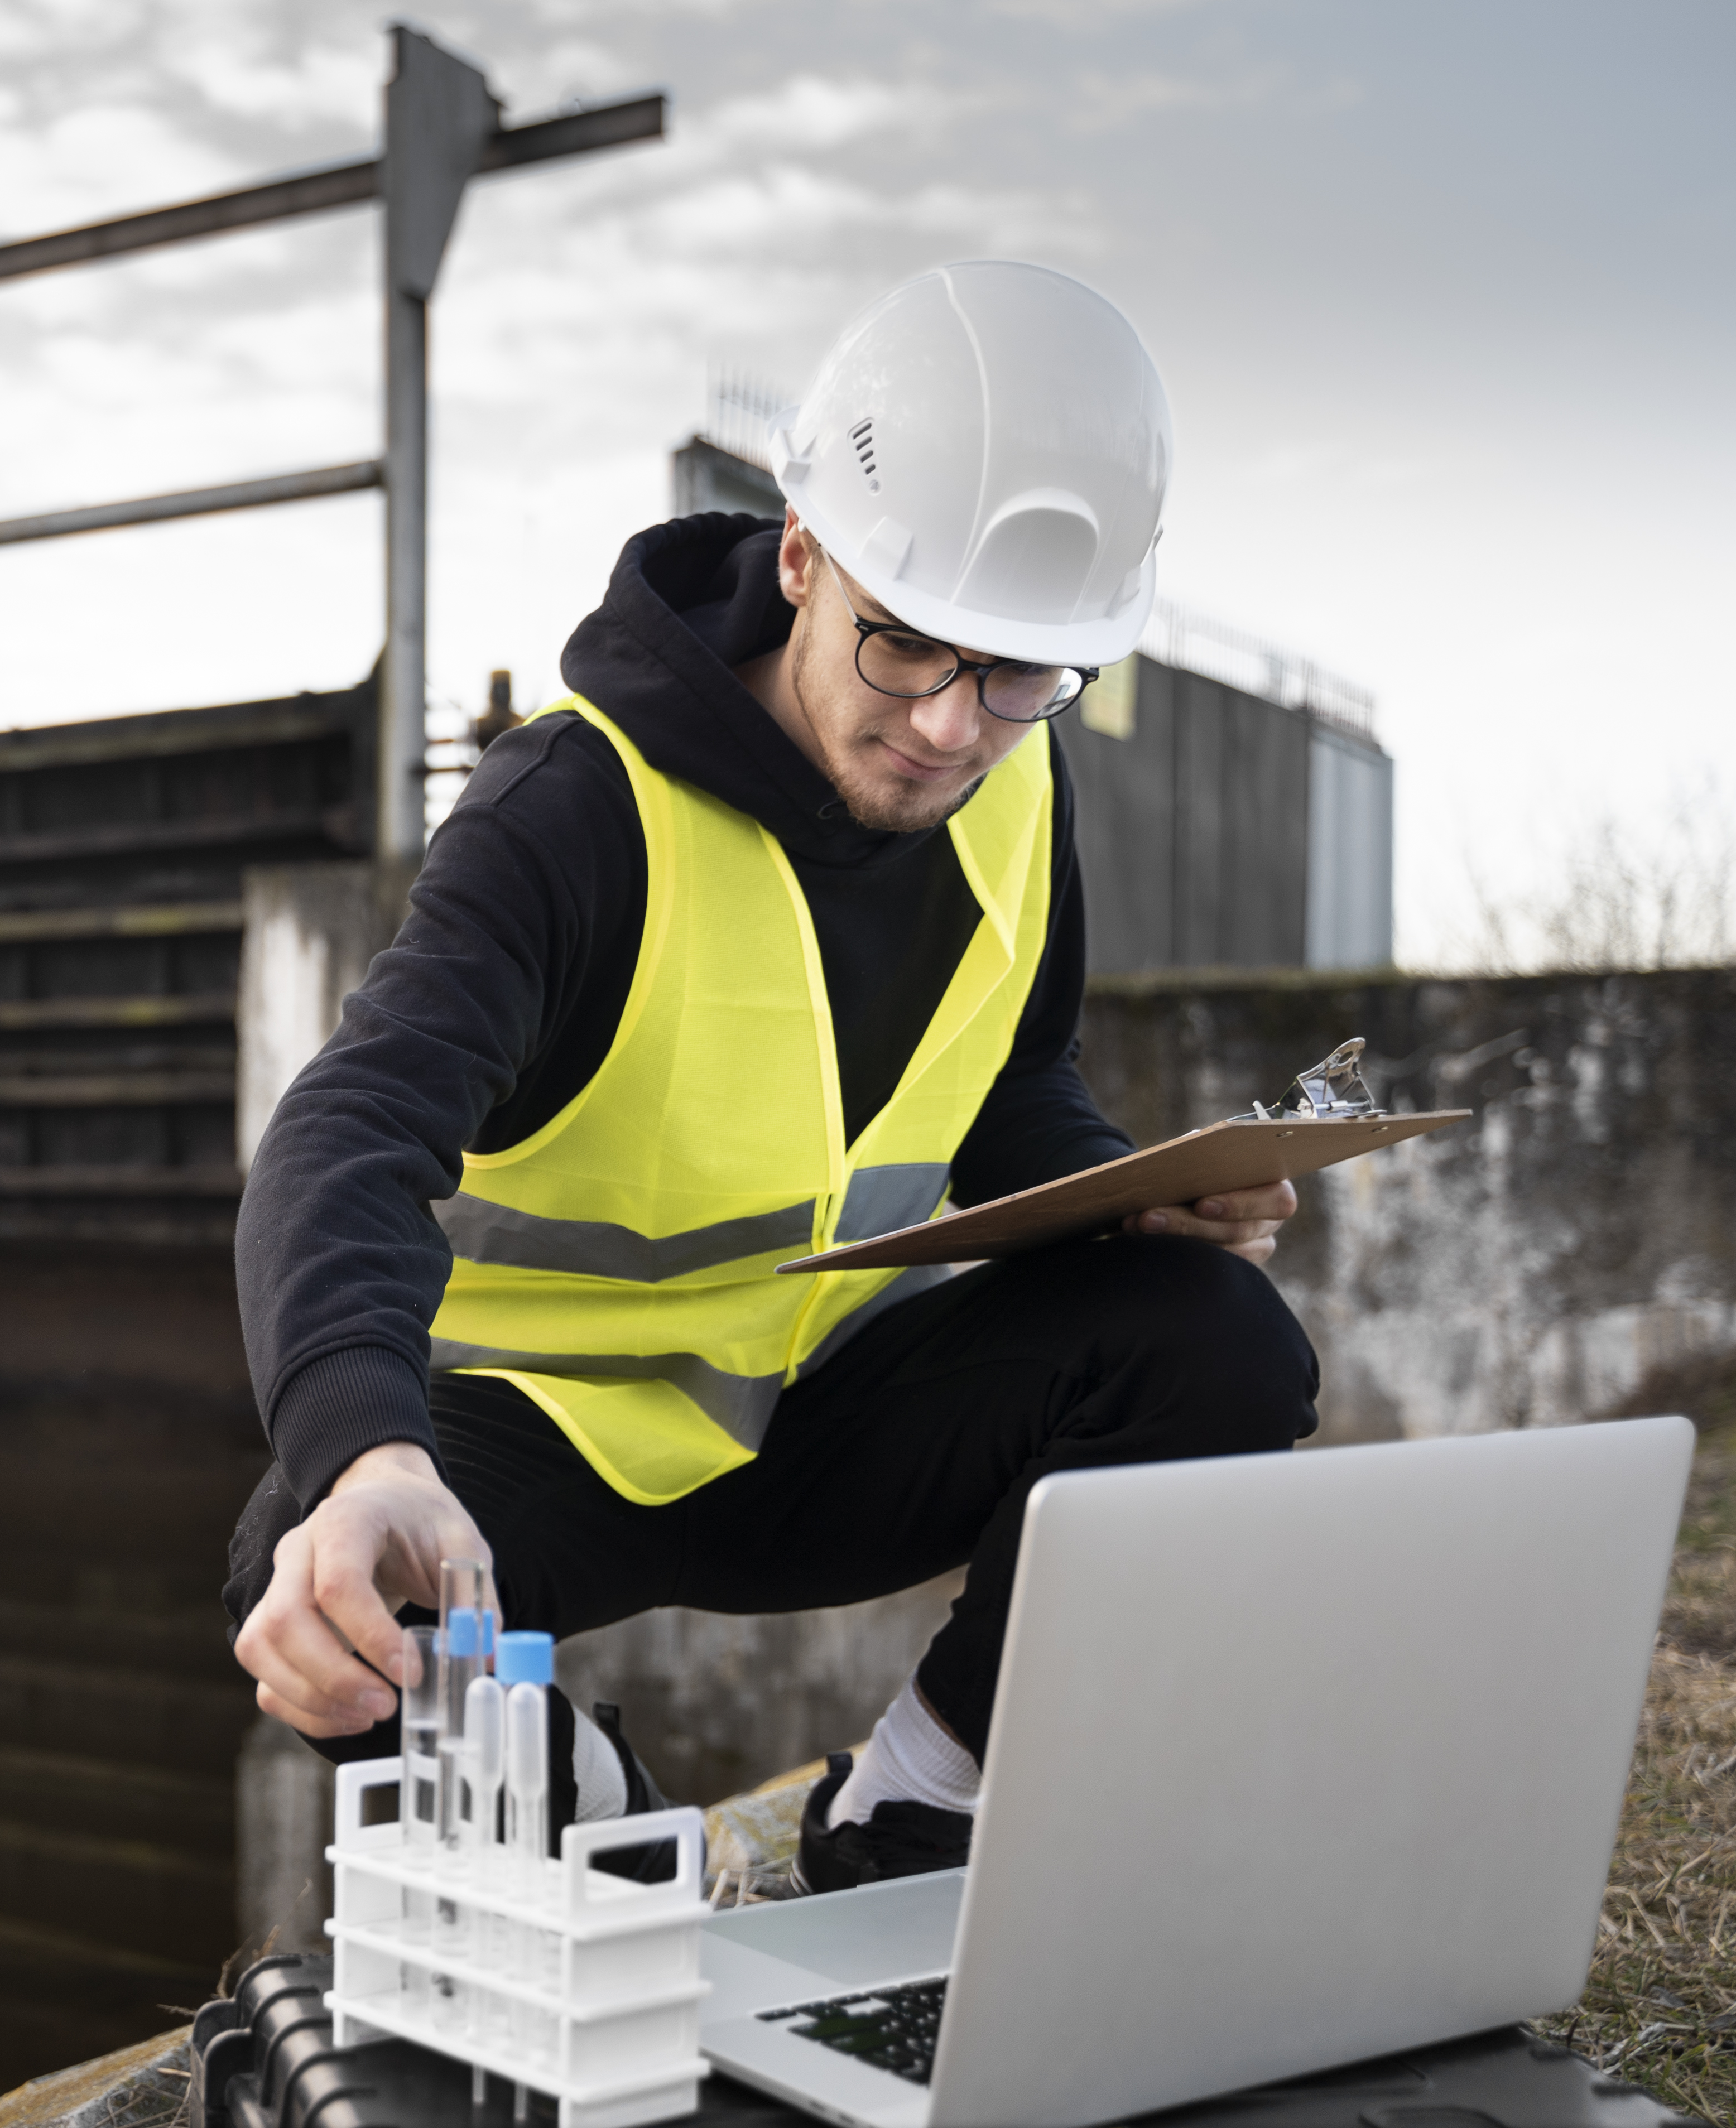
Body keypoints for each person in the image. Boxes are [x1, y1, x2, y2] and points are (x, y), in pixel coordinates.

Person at [223, 260, 1320, 1890]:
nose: (953, 728)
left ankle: (913, 1810)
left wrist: (1123, 1206)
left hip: (829, 1422)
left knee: (1219, 1342)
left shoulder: (1018, 785)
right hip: (560, 1446)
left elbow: (1011, 1087)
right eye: (905, 651)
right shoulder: (572, 816)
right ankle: (618, 1836)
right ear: (803, 556)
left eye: (1018, 675)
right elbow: (352, 1127)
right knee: (312, 1572)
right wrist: (370, 1451)